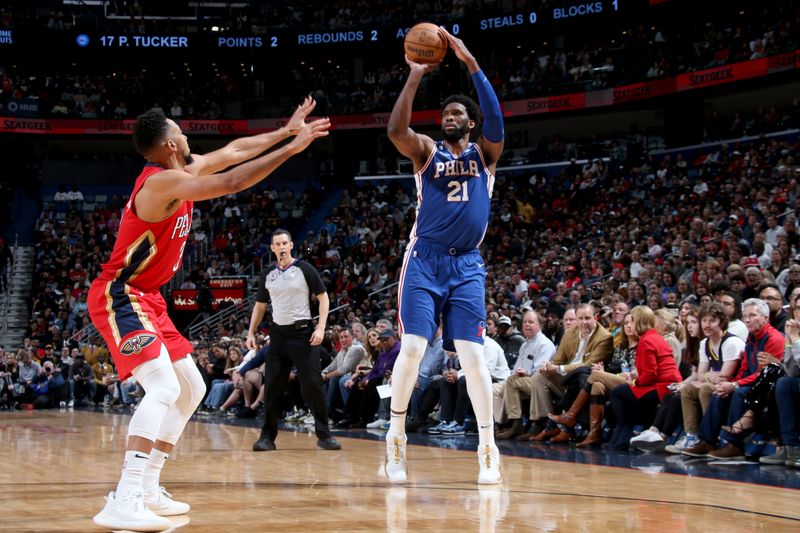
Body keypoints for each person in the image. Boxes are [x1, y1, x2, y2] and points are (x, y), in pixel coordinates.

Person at [88, 98, 330, 531]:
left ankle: (147, 487)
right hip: (121, 295)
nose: (185, 133)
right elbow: (234, 179)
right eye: (179, 130)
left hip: (150, 298)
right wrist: (293, 150)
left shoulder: (182, 169)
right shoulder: (159, 184)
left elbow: (234, 152)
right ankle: (124, 496)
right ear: (168, 145)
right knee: (162, 387)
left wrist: (285, 131)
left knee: (191, 387)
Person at [384, 28, 505, 484]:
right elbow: (396, 130)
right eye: (446, 112)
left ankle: (487, 445)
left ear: (469, 122)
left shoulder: (486, 154)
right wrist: (415, 76)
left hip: (467, 265)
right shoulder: (427, 153)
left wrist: (471, 62)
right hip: (425, 260)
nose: (448, 117)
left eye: (457, 113)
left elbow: (497, 121)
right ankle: (396, 436)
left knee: (473, 357)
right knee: (413, 346)